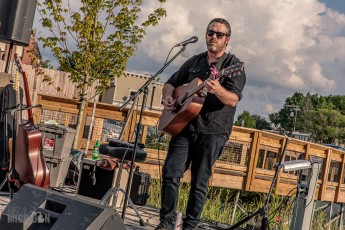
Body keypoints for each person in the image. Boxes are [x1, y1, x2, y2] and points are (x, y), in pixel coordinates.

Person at [156, 18, 246, 230]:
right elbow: (171, 83)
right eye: (210, 32)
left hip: (213, 130)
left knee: (199, 181)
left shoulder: (233, 66)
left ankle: (190, 226)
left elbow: (233, 99)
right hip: (184, 126)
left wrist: (218, 90)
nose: (214, 37)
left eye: (219, 34)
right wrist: (169, 97)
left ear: (227, 39)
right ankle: (166, 223)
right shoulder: (194, 62)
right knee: (170, 173)